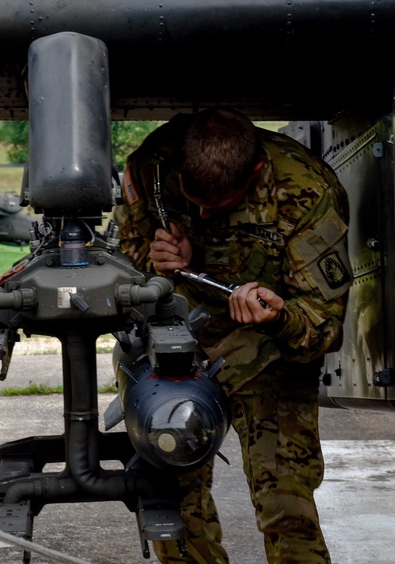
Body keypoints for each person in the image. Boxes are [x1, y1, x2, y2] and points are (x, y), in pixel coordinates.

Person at [114, 108, 352, 563]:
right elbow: (123, 270)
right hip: (174, 342)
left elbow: (322, 327)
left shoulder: (305, 192)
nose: (203, 215)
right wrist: (159, 261)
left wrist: (279, 316)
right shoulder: (154, 166)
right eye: (194, 201)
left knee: (286, 501)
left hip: (267, 352)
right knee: (173, 500)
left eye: (218, 205)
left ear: (256, 170)